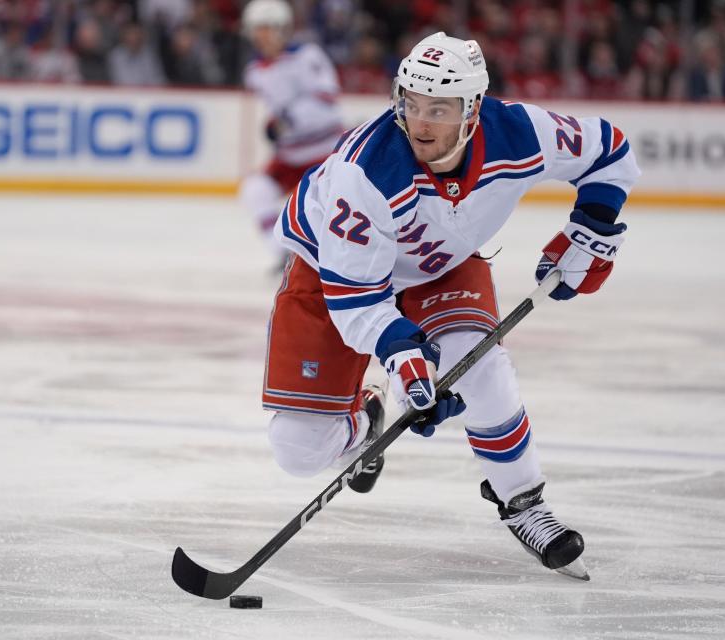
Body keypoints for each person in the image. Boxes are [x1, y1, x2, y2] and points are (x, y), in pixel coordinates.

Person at [262, 32, 640, 579]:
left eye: (438, 109)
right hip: (335, 278)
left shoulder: (519, 133)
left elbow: (610, 152)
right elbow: (356, 300)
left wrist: (590, 229)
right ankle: (366, 421)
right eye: (411, 104)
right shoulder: (363, 173)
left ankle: (523, 503)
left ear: (472, 110)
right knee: (298, 452)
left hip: (443, 265)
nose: (420, 122)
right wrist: (404, 358)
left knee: (480, 369)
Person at [239, 0, 345, 268]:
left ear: (282, 28)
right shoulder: (254, 71)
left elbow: (327, 101)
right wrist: (275, 124)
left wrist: (288, 118)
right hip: (289, 154)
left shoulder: (307, 56)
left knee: (328, 211)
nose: (260, 36)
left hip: (325, 152)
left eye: (265, 28)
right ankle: (281, 255)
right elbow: (279, 112)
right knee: (255, 190)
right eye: (256, 29)